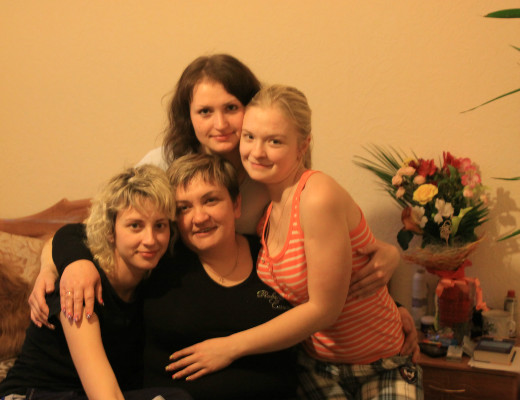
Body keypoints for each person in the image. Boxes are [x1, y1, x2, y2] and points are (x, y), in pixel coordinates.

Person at [29, 54, 406, 328]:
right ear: (188, 117)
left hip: (250, 305)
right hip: (173, 300)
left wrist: (391, 266)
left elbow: (325, 251)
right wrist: (56, 263)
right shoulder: (162, 165)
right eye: (205, 112)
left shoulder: (271, 172)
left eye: (231, 107)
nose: (221, 124)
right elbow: (96, 228)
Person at [164, 85, 423, 399]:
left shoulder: (316, 195)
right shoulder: (265, 216)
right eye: (249, 137)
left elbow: (325, 309)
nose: (257, 152)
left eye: (274, 141)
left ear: (303, 145)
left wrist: (229, 348)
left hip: (381, 364)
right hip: (316, 369)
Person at [50, 154, 298, 400]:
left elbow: (312, 313)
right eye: (184, 208)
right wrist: (70, 264)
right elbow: (75, 234)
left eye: (210, 200)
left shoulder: (272, 256)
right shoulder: (159, 259)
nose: (200, 217)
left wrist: (231, 347)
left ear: (236, 204)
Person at [0, 165, 192, 400]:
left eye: (159, 225)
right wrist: (49, 268)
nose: (150, 240)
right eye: (135, 225)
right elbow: (105, 396)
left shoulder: (153, 281)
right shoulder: (78, 285)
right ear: (110, 231)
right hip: (30, 395)